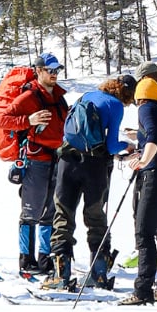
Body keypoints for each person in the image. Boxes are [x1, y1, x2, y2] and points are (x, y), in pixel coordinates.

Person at [51, 73, 136, 290]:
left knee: (63, 214)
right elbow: (111, 145)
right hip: (95, 166)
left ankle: (61, 274)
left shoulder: (88, 95)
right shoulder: (115, 106)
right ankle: (98, 274)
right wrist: (127, 146)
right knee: (95, 216)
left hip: (67, 161)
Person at [0, 53, 69, 277]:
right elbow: (4, 120)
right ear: (39, 70)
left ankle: (44, 259)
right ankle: (26, 260)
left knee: (50, 212)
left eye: (57, 70)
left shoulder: (58, 96)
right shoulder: (29, 96)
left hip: (56, 159)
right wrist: (28, 120)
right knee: (30, 212)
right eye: (50, 70)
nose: (54, 74)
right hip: (35, 160)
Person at [121, 69, 157, 305]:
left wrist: (143, 160)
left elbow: (153, 136)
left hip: (154, 178)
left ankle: (143, 290)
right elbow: (156, 137)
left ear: (139, 96)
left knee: (144, 233)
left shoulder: (145, 109)